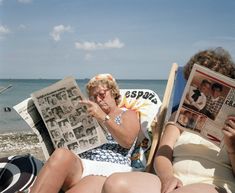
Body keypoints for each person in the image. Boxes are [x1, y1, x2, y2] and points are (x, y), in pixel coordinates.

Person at [100, 48, 235, 193]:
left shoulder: (232, 124)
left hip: (212, 184)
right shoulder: (179, 114)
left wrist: (232, 148)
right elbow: (163, 153)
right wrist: (167, 178)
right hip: (173, 179)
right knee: (115, 183)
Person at [29, 73, 140, 193]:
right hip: (82, 164)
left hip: (108, 167)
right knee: (61, 154)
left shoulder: (126, 114)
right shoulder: (89, 115)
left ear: (113, 92)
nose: (98, 99)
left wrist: (104, 117)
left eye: (102, 94)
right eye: (93, 97)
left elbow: (127, 141)